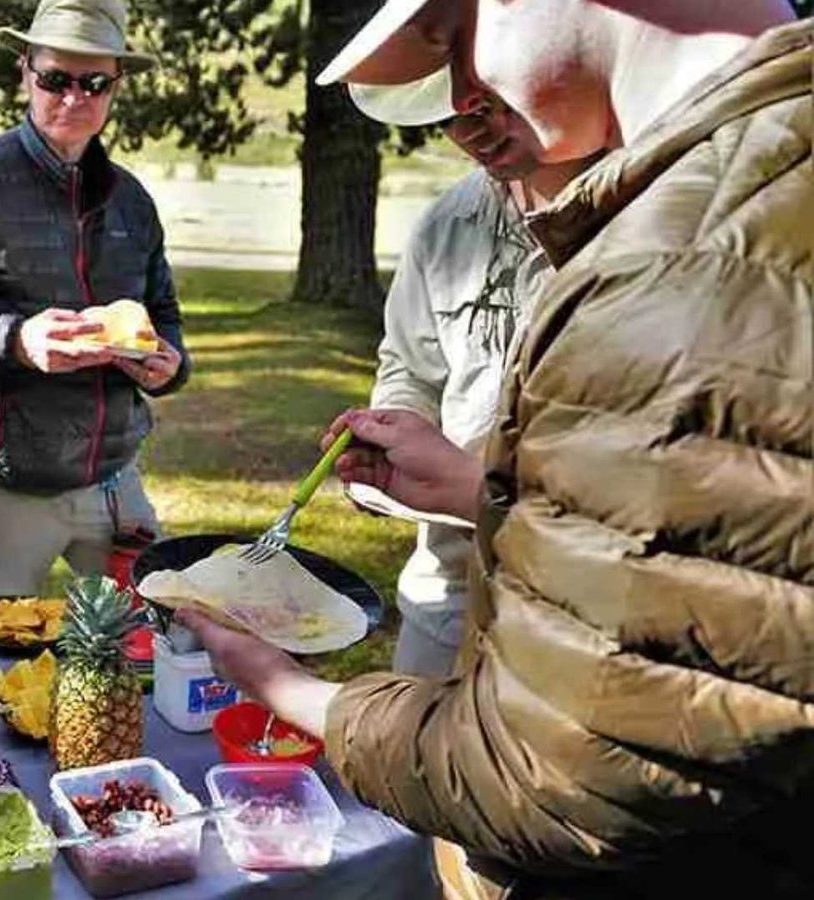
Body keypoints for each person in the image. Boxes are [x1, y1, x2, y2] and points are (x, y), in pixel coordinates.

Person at [183, 0, 812, 896]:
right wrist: (483, 490)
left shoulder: (676, 264)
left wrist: (287, 688)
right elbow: (732, 547)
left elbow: (551, 779)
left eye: (450, 34)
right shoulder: (759, 185)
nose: (463, 97)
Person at [0, 0, 191, 606]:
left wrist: (170, 364)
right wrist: (17, 341)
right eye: (55, 79)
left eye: (95, 82)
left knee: (143, 656)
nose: (75, 97)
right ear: (24, 71)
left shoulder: (133, 201)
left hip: (114, 483)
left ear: (116, 86)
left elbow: (165, 318)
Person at [361, 87, 596, 676]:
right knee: (409, 763)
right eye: (445, 116)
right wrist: (397, 423)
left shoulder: (639, 223)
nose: (469, 132)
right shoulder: (447, 223)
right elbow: (410, 365)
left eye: (485, 105)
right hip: (446, 587)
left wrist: (479, 488)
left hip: (578, 605)